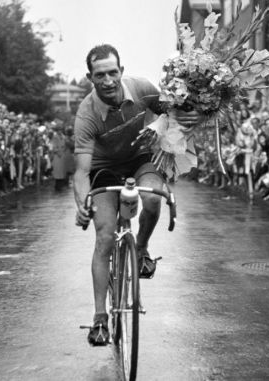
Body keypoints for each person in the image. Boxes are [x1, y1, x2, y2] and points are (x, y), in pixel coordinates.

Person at [73, 44, 200, 346]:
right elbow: (80, 171)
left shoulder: (142, 89)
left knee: (154, 200)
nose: (107, 80)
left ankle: (140, 249)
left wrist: (191, 115)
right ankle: (100, 319)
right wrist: (82, 202)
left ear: (122, 71)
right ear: (90, 77)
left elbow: (174, 113)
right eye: (100, 75)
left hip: (140, 160)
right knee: (104, 237)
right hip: (103, 171)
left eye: (112, 72)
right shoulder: (86, 115)